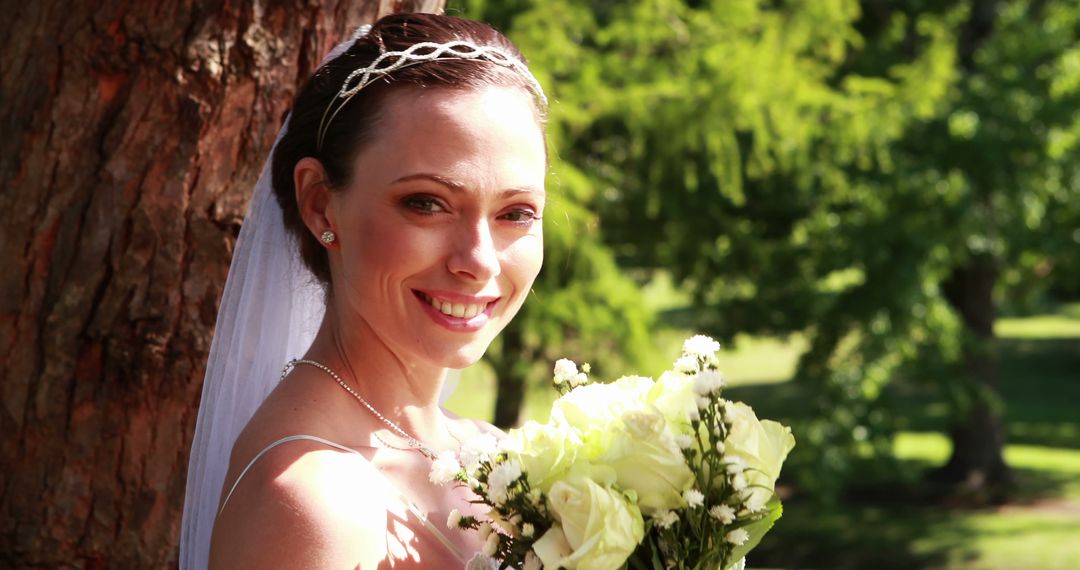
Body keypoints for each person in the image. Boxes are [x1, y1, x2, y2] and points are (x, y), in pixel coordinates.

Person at [179, 12, 549, 569]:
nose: (478, 261)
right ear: (320, 202)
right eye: (426, 203)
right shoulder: (313, 501)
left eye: (515, 213)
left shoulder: (494, 453)